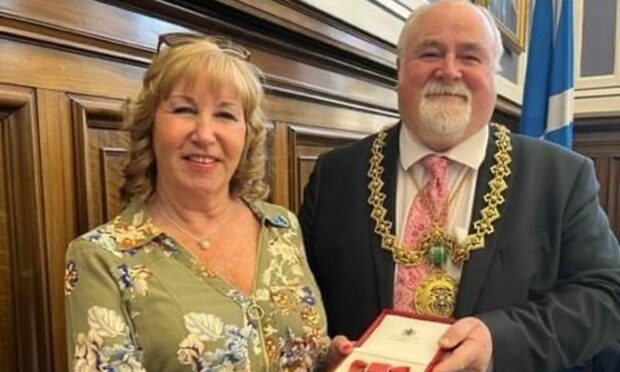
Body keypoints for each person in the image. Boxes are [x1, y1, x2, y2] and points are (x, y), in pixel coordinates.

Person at [299, 1, 620, 371]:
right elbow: (304, 299)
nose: (449, 70)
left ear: (493, 76)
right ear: (399, 69)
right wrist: (323, 346)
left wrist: (498, 341)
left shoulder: (561, 176)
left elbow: (606, 293)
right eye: (430, 53)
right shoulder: (336, 175)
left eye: (470, 57)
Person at [65, 34, 332, 371]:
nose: (205, 134)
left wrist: (333, 357)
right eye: (184, 110)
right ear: (150, 126)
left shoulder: (282, 227)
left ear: (247, 134)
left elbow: (306, 350)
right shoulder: (100, 257)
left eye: (225, 115)